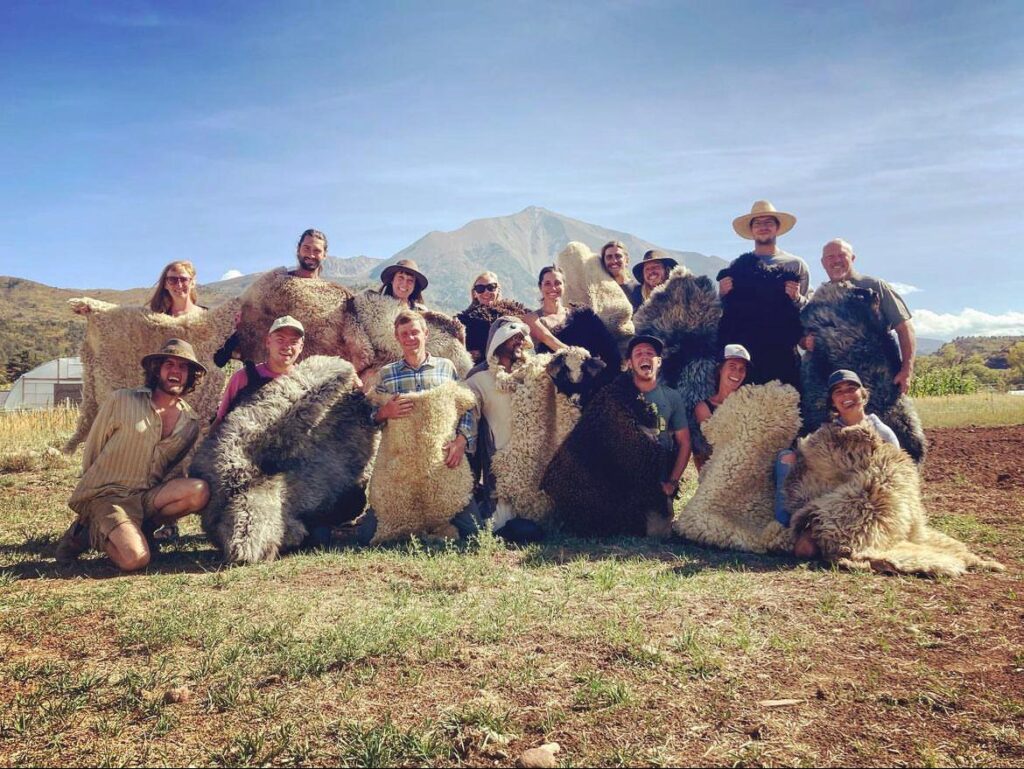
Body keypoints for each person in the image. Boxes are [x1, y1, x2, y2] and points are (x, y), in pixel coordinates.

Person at [55, 339, 211, 571]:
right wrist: (91, 494)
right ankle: (87, 530)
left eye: (183, 367)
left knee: (199, 491)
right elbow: (94, 448)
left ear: (190, 376)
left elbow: (174, 470)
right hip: (109, 495)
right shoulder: (122, 400)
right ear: (157, 369)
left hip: (147, 497)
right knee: (135, 559)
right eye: (169, 364)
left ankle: (142, 528)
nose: (176, 371)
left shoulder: (190, 423)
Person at [358, 310, 481, 544]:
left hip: (441, 463)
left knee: (474, 532)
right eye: (404, 334)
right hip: (400, 468)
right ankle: (415, 525)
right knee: (366, 537)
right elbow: (369, 416)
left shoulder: (446, 368)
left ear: (425, 333)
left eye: (415, 332)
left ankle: (440, 523)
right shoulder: (387, 374)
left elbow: (466, 407)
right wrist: (385, 412)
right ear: (397, 337)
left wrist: (461, 441)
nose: (410, 338)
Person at [781, 369, 900, 559]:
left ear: (863, 394)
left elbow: (896, 474)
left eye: (851, 389)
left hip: (864, 503)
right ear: (833, 402)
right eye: (838, 392)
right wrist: (796, 457)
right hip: (829, 498)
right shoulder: (827, 433)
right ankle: (793, 526)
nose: (846, 395)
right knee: (804, 549)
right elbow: (812, 460)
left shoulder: (882, 433)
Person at [465, 317, 545, 543]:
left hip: (532, 460)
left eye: (522, 337)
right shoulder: (478, 378)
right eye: (513, 338)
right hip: (498, 466)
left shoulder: (534, 373)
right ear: (498, 342)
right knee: (499, 524)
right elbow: (468, 423)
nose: (520, 342)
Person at [805, 238, 917, 395]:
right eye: (830, 257)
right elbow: (804, 337)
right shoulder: (819, 297)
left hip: (879, 377)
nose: (836, 260)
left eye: (842, 255)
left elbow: (905, 328)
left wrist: (906, 371)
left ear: (852, 258)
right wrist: (806, 341)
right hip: (836, 384)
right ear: (823, 263)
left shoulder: (874, 286)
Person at [718, 200, 810, 388]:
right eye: (757, 223)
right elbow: (729, 312)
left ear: (777, 227)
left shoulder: (795, 264)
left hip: (783, 349)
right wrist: (722, 295)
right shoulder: (738, 266)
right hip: (747, 350)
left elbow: (808, 310)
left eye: (768, 222)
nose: (763, 227)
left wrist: (798, 298)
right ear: (751, 230)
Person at [213, 229, 328, 367]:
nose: (311, 254)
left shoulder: (329, 295)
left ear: (324, 255)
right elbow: (247, 309)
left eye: (317, 251)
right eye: (306, 248)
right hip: (266, 366)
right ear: (298, 249)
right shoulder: (276, 282)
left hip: (308, 368)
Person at [628, 335, 692, 520]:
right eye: (638, 353)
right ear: (630, 363)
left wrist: (672, 482)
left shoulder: (672, 397)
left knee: (658, 531)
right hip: (625, 477)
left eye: (650, 353)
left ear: (659, 362)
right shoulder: (617, 395)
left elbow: (685, 443)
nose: (645, 357)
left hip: (657, 478)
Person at [213, 316, 305, 426]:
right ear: (268, 342)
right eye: (280, 340)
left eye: (293, 342)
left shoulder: (305, 383)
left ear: (301, 347)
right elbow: (220, 421)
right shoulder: (243, 378)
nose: (287, 347)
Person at [72, 261, 205, 318]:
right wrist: (94, 309)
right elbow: (121, 315)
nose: (179, 284)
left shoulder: (208, 316)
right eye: (173, 279)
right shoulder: (155, 318)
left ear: (193, 282)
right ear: (165, 284)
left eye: (184, 279)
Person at [692, 344, 752, 471]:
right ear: (720, 369)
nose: (737, 373)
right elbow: (717, 442)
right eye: (732, 366)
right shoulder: (704, 408)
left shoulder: (749, 403)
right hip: (719, 471)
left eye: (742, 369)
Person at [456, 271, 516, 364]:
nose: (486, 292)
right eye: (480, 289)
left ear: (498, 289)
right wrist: (466, 355)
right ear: (475, 293)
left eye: (491, 287)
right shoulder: (463, 321)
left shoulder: (512, 316)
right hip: (476, 372)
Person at [600, 241, 642, 310]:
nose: (614, 261)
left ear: (627, 260)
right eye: (609, 257)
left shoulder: (640, 290)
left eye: (618, 256)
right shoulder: (600, 293)